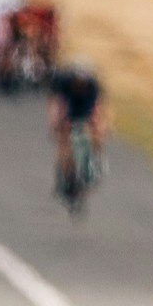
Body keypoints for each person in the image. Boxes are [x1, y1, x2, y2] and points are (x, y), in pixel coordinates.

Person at [47, 56, 110, 203]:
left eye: (83, 82)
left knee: (97, 133)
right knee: (65, 137)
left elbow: (100, 108)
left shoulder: (92, 86)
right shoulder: (63, 82)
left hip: (84, 108)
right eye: (78, 82)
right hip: (68, 106)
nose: (80, 84)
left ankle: (93, 160)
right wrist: (54, 123)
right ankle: (64, 173)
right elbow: (54, 103)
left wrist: (102, 127)